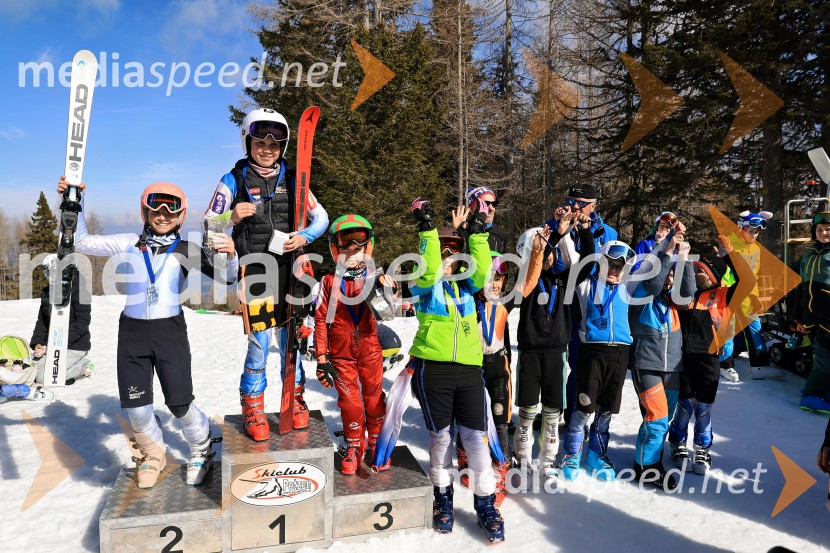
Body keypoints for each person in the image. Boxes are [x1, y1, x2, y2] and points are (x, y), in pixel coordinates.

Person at [58, 177, 236, 488]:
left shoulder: (186, 249)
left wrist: (229, 253)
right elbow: (83, 241)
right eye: (156, 207)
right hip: (132, 332)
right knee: (135, 407)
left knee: (179, 404)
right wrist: (76, 200)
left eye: (172, 209)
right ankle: (153, 452)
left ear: (181, 216)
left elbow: (228, 278)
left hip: (169, 331)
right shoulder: (129, 242)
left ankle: (202, 445)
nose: (164, 214)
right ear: (144, 211)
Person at [204, 107, 329, 441]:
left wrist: (304, 237)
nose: (267, 149)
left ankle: (295, 400)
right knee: (260, 344)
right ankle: (254, 407)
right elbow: (207, 223)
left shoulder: (293, 177)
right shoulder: (235, 178)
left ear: (284, 148)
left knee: (292, 345)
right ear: (248, 142)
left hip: (290, 272)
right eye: (260, 142)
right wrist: (230, 216)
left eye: (274, 145)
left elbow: (322, 218)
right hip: (255, 271)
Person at [407, 198, 504, 542]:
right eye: (443, 250)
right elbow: (431, 270)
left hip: (468, 371)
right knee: (441, 439)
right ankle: (442, 498)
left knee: (475, 439)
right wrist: (428, 230)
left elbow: (481, 273)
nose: (450, 257)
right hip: (433, 369)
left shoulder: (470, 289)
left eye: (454, 250)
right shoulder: (425, 285)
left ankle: (486, 502)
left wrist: (477, 235)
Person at [513, 214, 594, 482]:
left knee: (552, 412)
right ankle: (522, 456)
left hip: (556, 352)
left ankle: (547, 459)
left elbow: (587, 262)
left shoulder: (563, 278)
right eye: (543, 251)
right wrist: (554, 236)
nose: (548, 256)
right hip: (530, 351)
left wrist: (584, 230)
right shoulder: (526, 279)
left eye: (551, 252)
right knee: (526, 411)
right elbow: (535, 264)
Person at [668, 236, 752, 475]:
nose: (695, 274)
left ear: (713, 275)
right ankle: (678, 443)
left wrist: (730, 255)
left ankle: (702, 448)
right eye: (694, 270)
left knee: (704, 407)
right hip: (682, 358)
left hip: (709, 359)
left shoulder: (724, 296)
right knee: (684, 405)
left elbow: (747, 280)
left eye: (701, 271)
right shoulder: (685, 294)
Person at [314, 214, 388, 475]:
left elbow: (390, 307)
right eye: (347, 251)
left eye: (359, 250)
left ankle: (378, 441)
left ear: (369, 249)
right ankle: (355, 444)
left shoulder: (376, 276)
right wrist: (322, 359)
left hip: (369, 349)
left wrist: (386, 287)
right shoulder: (328, 282)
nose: (353, 256)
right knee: (350, 402)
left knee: (374, 398)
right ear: (335, 251)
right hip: (341, 354)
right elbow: (321, 320)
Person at [560, 240, 635, 482]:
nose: (615, 270)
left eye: (619, 267)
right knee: (584, 408)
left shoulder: (628, 288)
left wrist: (668, 244)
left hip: (620, 355)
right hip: (592, 353)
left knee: (605, 412)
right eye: (610, 264)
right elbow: (572, 260)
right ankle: (571, 454)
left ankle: (595, 454)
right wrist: (566, 233)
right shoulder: (585, 286)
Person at [628, 225, 695, 490]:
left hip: (672, 366)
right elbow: (654, 284)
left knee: (662, 419)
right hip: (647, 364)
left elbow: (687, 293)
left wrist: (684, 258)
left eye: (670, 275)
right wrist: (667, 252)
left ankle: (649, 458)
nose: (668, 278)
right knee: (656, 419)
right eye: (665, 272)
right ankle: (646, 467)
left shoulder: (671, 301)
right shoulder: (641, 294)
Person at [546, 183, 619, 428]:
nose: (574, 207)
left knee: (583, 360)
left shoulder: (607, 231)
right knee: (556, 356)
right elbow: (552, 266)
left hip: (592, 299)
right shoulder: (556, 223)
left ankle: (576, 414)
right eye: (571, 201)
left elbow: (609, 267)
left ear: (593, 205)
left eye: (581, 203)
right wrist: (561, 230)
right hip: (563, 295)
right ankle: (552, 411)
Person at [720, 210, 782, 380]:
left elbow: (753, 276)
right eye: (751, 231)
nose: (754, 235)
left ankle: (759, 366)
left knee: (755, 329)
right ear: (741, 228)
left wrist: (755, 296)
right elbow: (723, 269)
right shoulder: (729, 242)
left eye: (756, 232)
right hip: (730, 294)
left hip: (747, 296)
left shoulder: (755, 248)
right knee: (729, 330)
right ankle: (725, 365)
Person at [30, 258, 94, 385]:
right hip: (51, 345)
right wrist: (38, 342)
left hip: (74, 345)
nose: (49, 276)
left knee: (44, 378)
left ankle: (83, 366)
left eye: (52, 272)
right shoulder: (47, 292)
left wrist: (57, 344)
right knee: (31, 371)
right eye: (47, 272)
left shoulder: (79, 291)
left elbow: (82, 324)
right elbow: (42, 321)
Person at [796, 211, 830, 413]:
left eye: (827, 229)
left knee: (824, 354)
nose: (824, 233)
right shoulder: (810, 253)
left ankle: (818, 389)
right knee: (824, 356)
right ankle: (811, 396)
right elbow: (802, 282)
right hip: (812, 314)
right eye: (819, 229)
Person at [464, 186, 508, 254]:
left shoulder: (500, 234)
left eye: (494, 204)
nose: (491, 209)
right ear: (472, 208)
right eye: (485, 204)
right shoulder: (463, 231)